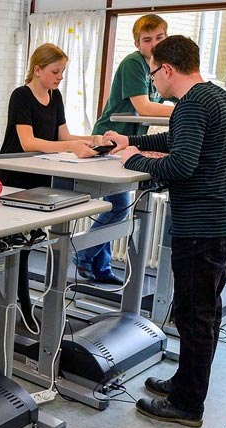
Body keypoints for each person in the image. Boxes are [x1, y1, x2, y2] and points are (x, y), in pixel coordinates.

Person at [105, 35, 226, 428]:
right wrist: (130, 141)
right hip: (224, 223)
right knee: (203, 312)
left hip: (203, 229)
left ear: (167, 69)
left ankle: (187, 405)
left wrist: (133, 162)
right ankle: (185, 383)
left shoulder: (190, 104)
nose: (153, 83)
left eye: (153, 74)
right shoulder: (215, 96)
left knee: (193, 316)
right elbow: (177, 141)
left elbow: (180, 165)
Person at [0, 43, 101, 315]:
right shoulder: (21, 96)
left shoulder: (55, 96)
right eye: (55, 71)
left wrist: (93, 139)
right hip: (14, 174)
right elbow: (28, 142)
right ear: (37, 70)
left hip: (40, 175)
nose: (60, 77)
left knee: (25, 238)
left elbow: (63, 137)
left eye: (62, 72)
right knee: (16, 240)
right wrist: (69, 147)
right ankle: (24, 305)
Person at [75, 14, 174, 284]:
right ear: (137, 43)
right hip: (110, 140)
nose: (154, 44)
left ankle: (99, 266)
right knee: (118, 207)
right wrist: (187, 109)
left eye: (160, 38)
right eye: (147, 40)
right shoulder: (135, 64)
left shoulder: (162, 67)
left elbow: (179, 93)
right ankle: (83, 254)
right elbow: (143, 107)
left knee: (117, 207)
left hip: (130, 142)